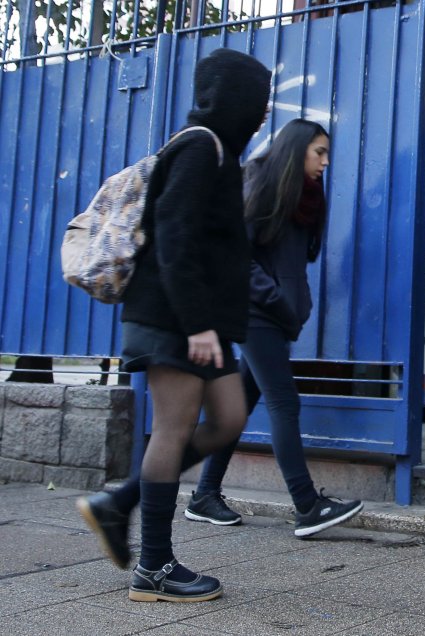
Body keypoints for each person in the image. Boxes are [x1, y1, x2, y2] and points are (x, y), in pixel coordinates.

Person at [76, 48, 272, 602]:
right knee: (174, 427)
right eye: (256, 103)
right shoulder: (198, 147)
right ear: (233, 100)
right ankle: (155, 569)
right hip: (175, 317)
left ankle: (118, 504)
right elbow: (174, 237)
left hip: (199, 320)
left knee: (229, 417)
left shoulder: (219, 155)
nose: (261, 116)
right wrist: (197, 325)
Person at [184, 119, 363, 536]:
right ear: (297, 148)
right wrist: (276, 298)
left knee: (240, 406)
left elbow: (295, 263)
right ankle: (306, 506)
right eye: (319, 152)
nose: (325, 161)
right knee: (284, 402)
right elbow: (236, 259)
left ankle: (203, 495)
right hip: (255, 311)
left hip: (278, 314)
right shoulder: (260, 182)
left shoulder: (304, 194)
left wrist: (294, 302)